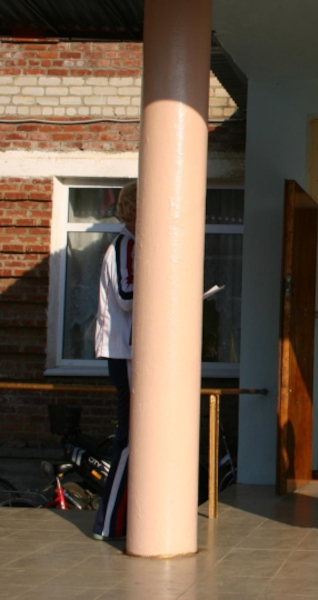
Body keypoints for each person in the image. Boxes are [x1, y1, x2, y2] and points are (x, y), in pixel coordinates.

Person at [92, 181, 137, 541]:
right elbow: (126, 295)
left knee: (135, 438)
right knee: (129, 439)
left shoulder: (133, 244)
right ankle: (107, 524)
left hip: (130, 353)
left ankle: (118, 522)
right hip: (124, 353)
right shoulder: (126, 244)